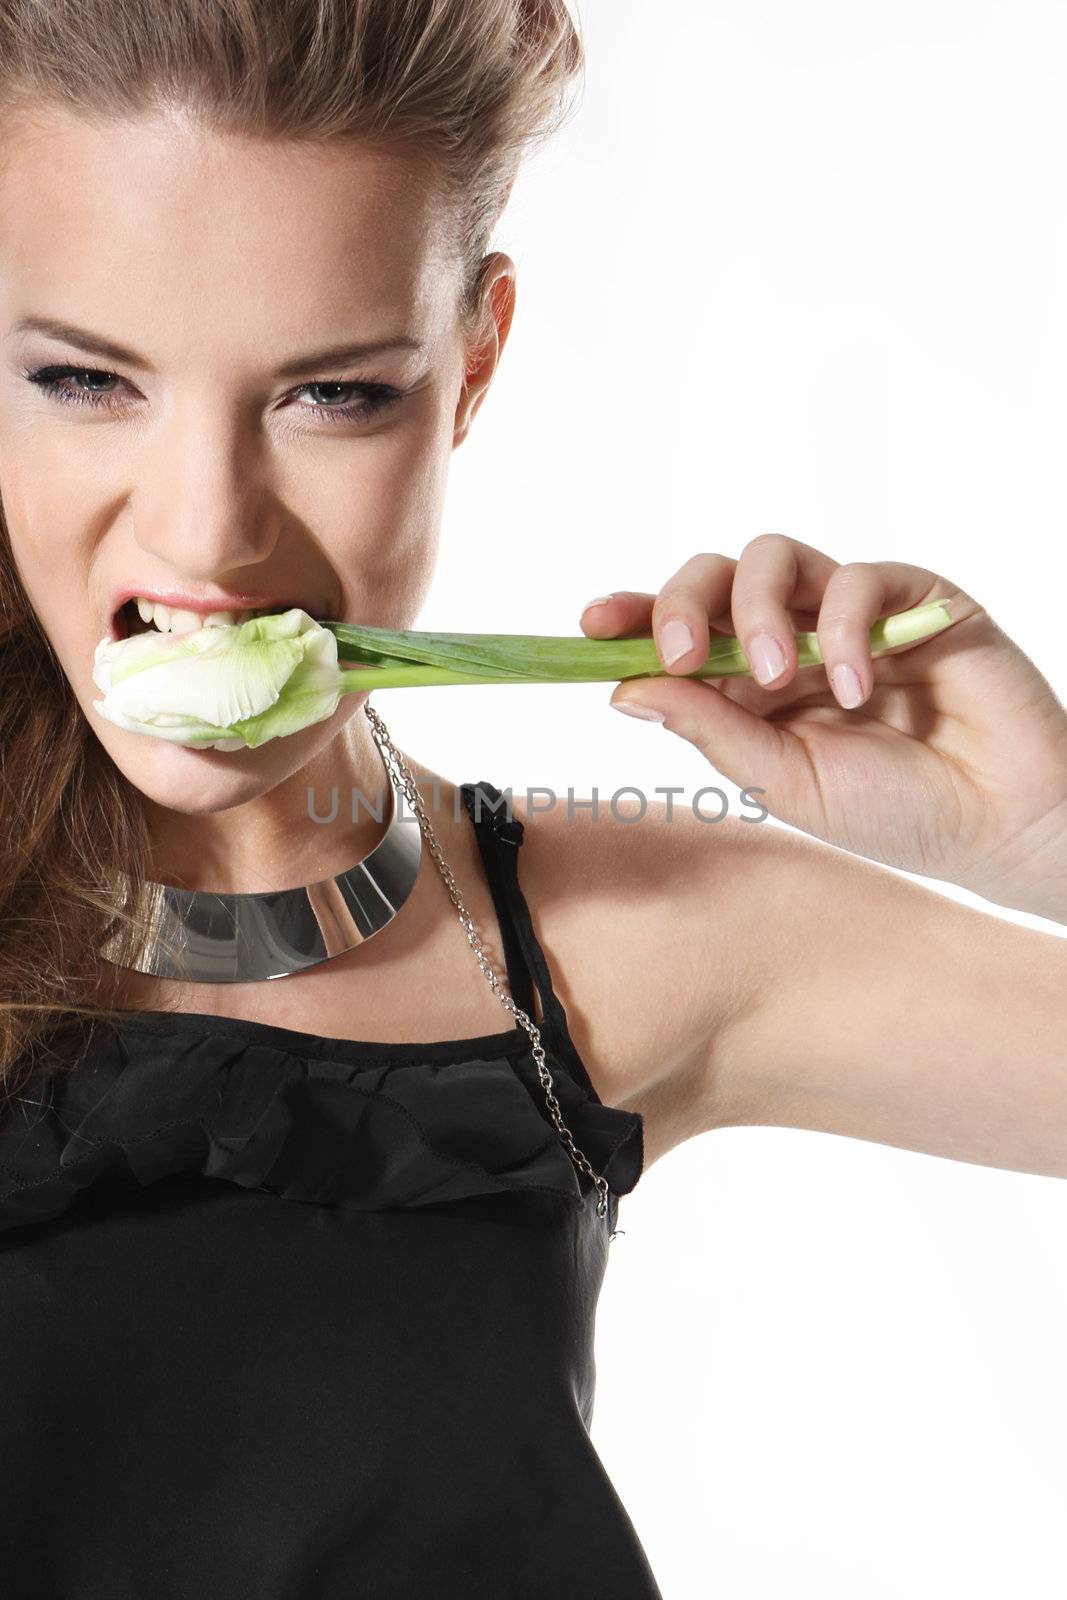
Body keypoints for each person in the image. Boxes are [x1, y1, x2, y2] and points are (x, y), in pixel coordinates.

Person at [0, 2, 1064, 1596]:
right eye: (87, 379)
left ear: (475, 363)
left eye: (331, 395)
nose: (208, 532)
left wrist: (1044, 834)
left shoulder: (609, 936)